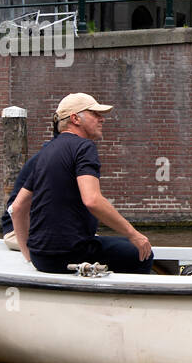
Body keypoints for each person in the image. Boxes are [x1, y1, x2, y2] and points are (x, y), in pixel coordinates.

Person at [9, 93, 153, 274]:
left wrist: (29, 255)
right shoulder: (84, 147)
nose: (102, 119)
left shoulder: (44, 153)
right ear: (75, 118)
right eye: (95, 114)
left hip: (42, 258)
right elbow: (92, 200)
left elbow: (17, 207)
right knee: (141, 252)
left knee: (121, 245)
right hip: (71, 254)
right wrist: (135, 234)